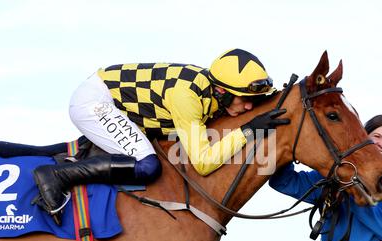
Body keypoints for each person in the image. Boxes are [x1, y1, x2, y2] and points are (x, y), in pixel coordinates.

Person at [33, 48, 289, 225]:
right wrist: (248, 130)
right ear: (221, 91)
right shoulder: (187, 98)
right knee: (148, 164)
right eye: (245, 100)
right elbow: (203, 162)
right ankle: (56, 176)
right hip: (95, 102)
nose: (247, 108)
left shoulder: (212, 91)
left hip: (119, 104)